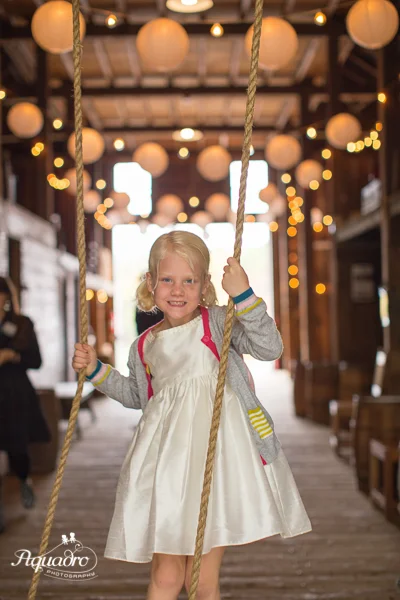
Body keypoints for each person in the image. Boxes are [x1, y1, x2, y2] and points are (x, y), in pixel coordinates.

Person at [72, 231, 312, 600]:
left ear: (204, 285)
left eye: (189, 280)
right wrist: (96, 372)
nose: (177, 290)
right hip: (167, 468)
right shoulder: (145, 345)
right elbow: (139, 396)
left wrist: (244, 296)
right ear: (150, 283)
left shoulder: (219, 323)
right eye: (167, 279)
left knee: (200, 580)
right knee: (166, 576)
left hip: (216, 465)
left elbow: (270, 347)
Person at [0, 277, 51, 533]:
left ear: (6, 297)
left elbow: (36, 360)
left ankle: (23, 479)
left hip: (13, 393)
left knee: (17, 448)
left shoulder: (21, 324)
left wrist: (12, 355)